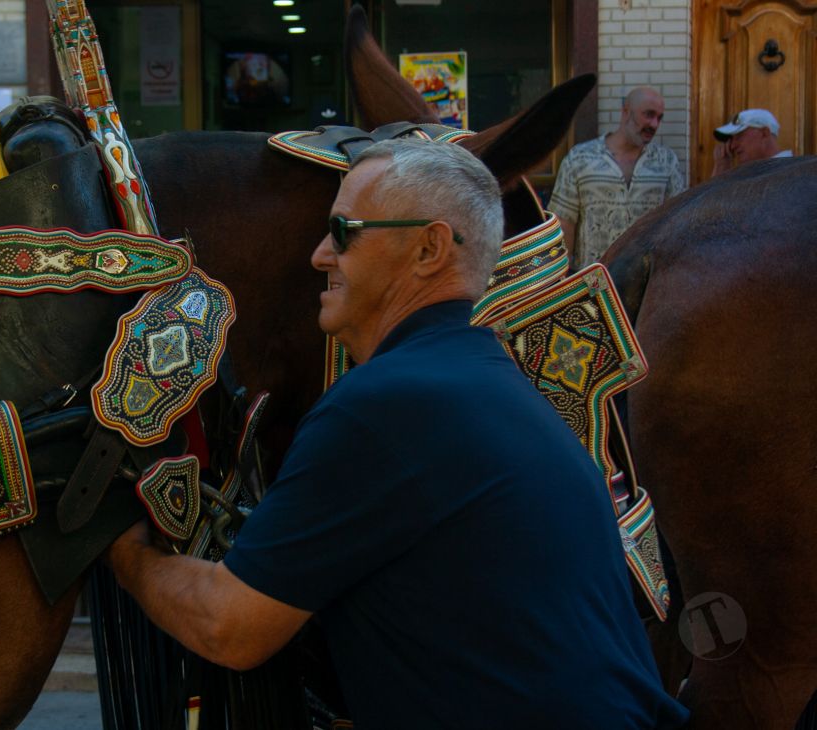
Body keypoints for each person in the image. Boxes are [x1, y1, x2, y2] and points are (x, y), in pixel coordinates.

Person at [107, 138, 690, 729]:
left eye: (343, 232)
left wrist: (126, 553)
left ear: (428, 248)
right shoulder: (500, 385)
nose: (318, 255)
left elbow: (228, 626)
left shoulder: (383, 406)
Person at [548, 86, 685, 269]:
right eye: (648, 115)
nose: (654, 124)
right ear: (626, 112)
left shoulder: (666, 162)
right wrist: (562, 275)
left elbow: (678, 221)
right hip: (593, 281)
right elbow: (564, 221)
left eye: (659, 118)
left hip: (647, 282)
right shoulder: (580, 158)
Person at [712, 108, 792, 175]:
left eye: (739, 136)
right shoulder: (748, 174)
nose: (732, 146)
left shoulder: (790, 171)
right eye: (731, 139)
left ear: (764, 133)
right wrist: (722, 165)